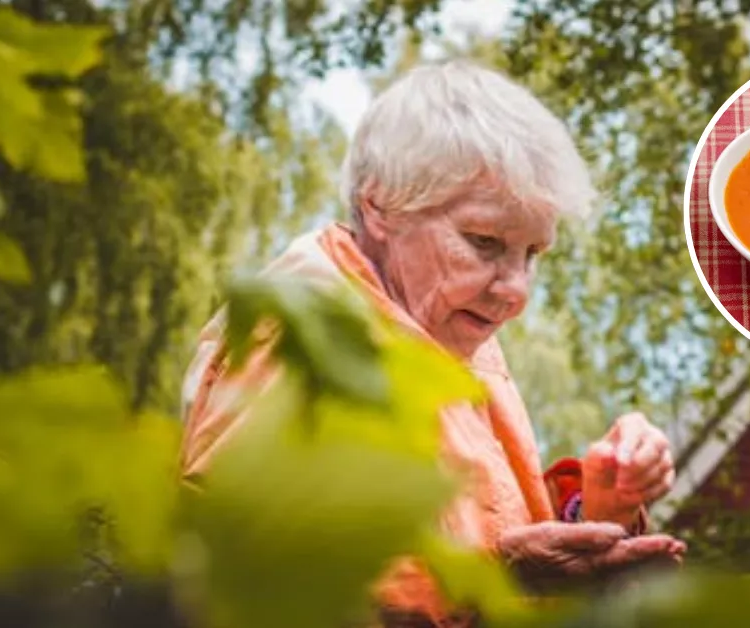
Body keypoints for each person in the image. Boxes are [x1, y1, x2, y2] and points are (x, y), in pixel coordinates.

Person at [178, 59, 684, 627]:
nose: (516, 292)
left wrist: (597, 507)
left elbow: (481, 522)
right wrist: (491, 577)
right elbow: (234, 587)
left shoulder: (444, 326)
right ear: (380, 206)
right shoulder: (298, 343)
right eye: (484, 242)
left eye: (533, 254)